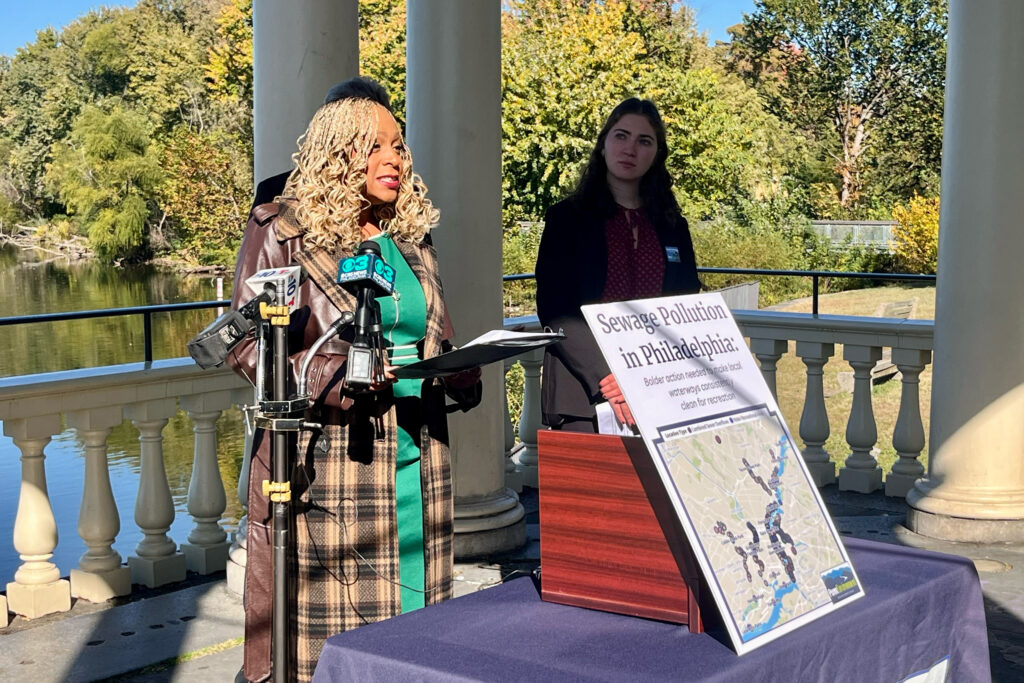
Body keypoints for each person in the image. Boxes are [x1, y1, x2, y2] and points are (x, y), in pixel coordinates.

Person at [227, 81, 481, 682]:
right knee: (349, 648)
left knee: (420, 635)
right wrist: (338, 375)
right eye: (375, 146)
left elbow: (434, 332)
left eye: (397, 146)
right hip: (338, 466)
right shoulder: (282, 229)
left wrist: (458, 366)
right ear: (338, 149)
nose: (394, 159)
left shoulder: (412, 238)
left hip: (421, 460)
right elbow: (245, 343)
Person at [535, 97, 701, 433]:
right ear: (603, 145)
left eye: (644, 141)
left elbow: (686, 302)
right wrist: (606, 377)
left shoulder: (672, 226)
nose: (630, 149)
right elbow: (554, 308)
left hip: (658, 386)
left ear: (657, 154)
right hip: (582, 393)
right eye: (621, 136)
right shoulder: (566, 219)